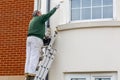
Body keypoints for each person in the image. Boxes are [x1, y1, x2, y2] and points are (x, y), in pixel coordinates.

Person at [25, 4, 60, 80]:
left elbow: (37, 29)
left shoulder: (32, 21)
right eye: (40, 13)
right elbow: (49, 14)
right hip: (36, 39)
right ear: (38, 14)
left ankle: (27, 72)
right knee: (35, 55)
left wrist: (44, 35)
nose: (41, 14)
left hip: (29, 39)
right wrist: (55, 8)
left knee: (29, 55)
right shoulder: (40, 18)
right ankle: (31, 73)